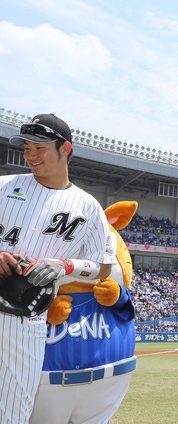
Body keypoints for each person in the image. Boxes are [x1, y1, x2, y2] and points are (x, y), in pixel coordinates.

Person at [0, 113, 116, 422]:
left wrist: (64, 265)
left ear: (65, 149)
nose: (29, 155)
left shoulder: (86, 206)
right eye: (26, 147)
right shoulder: (3, 186)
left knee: (13, 410)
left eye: (39, 147)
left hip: (24, 318)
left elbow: (103, 267)